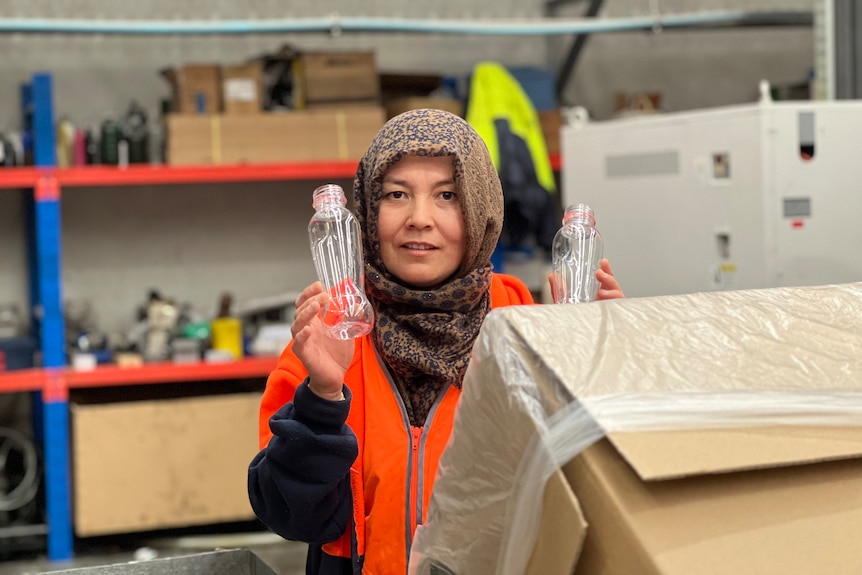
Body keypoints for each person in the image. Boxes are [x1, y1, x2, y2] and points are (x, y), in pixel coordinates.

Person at [248, 108, 625, 575]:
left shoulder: (523, 331)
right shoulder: (327, 336)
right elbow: (288, 513)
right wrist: (323, 398)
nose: (419, 219)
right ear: (365, 210)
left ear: (480, 208)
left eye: (447, 195)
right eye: (396, 195)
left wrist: (604, 361)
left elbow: (594, 493)